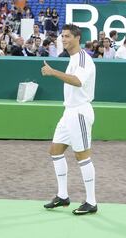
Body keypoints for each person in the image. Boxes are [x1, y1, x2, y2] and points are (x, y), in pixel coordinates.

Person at [41, 24, 97, 215]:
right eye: (62, 36)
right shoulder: (72, 58)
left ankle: (91, 201)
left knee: (82, 156)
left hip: (80, 112)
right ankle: (63, 196)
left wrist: (53, 72)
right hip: (69, 112)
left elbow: (78, 81)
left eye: (67, 36)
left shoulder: (83, 59)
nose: (63, 39)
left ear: (77, 38)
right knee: (55, 150)